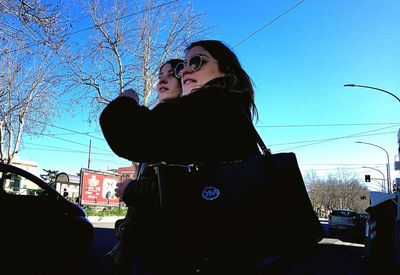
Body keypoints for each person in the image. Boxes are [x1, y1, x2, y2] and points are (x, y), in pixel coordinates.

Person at [106, 58, 183, 275]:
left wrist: (130, 189)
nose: (162, 79)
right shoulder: (163, 123)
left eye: (172, 73)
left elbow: (180, 190)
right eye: (160, 75)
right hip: (147, 240)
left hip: (164, 245)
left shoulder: (178, 120)